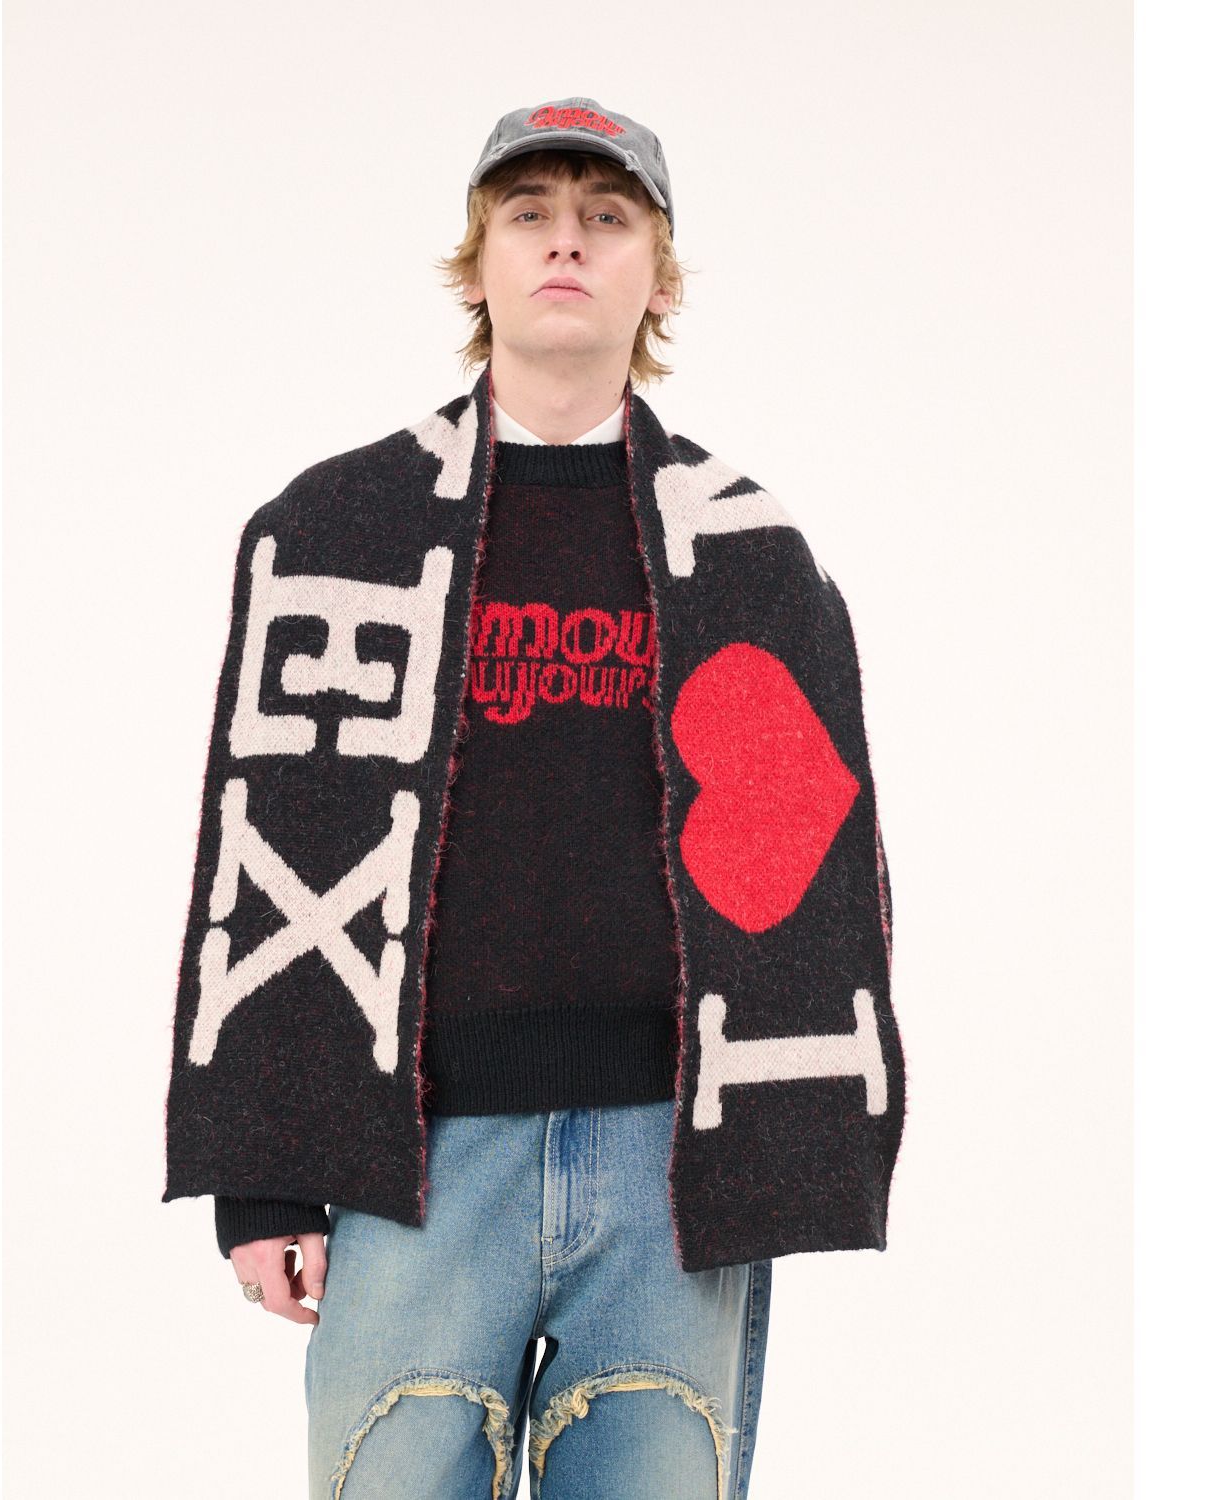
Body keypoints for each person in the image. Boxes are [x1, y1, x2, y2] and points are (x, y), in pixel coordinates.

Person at [165, 95, 905, 1500]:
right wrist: (262, 1174)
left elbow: (825, 861)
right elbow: (262, 848)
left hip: (669, 1165)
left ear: (658, 278)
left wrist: (790, 1155)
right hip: (413, 1156)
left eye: (606, 217)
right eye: (530, 214)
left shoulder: (751, 550)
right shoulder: (337, 530)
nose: (567, 242)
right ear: (480, 264)